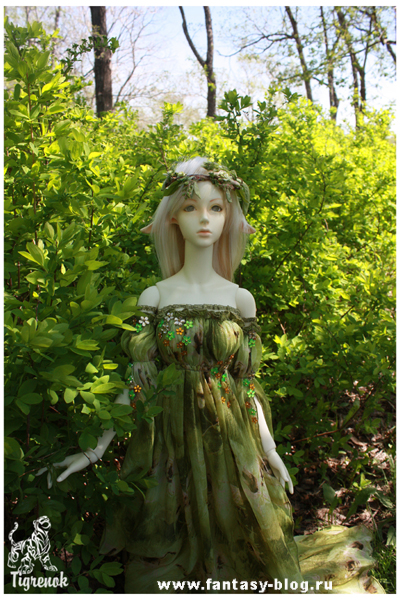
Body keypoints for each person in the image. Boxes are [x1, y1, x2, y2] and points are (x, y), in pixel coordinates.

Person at [40, 158, 383, 594]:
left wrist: (269, 449)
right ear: (172, 218)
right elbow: (140, 377)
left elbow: (244, 384)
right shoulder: (155, 296)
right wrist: (97, 447)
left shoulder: (240, 299)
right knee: (166, 545)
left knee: (240, 537)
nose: (204, 218)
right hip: (170, 443)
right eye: (190, 207)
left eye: (216, 207)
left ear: (228, 216)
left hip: (230, 441)